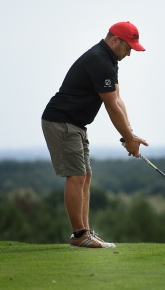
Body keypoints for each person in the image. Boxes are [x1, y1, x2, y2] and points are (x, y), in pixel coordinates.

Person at [41, 21, 149, 249]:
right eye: (128, 47)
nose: (129, 54)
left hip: (76, 123)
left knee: (85, 176)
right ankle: (79, 235)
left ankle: (85, 232)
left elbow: (118, 99)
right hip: (61, 121)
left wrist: (129, 134)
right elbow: (110, 105)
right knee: (76, 176)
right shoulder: (99, 60)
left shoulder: (109, 60)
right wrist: (128, 139)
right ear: (115, 40)